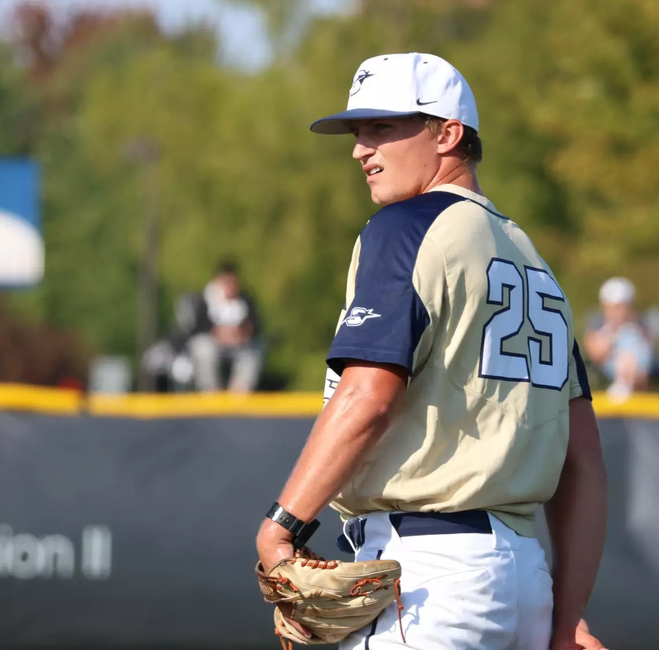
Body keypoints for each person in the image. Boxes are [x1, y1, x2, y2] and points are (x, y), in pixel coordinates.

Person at [256, 53, 608, 650]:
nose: (359, 150)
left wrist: (284, 523)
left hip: (429, 580)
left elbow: (368, 396)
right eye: (357, 133)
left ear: (447, 133)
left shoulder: (410, 226)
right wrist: (568, 617)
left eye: (382, 129)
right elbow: (585, 465)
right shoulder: (532, 261)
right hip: (524, 581)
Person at [188, 261, 263, 393]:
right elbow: (196, 329)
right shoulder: (204, 301)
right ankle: (210, 394)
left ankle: (239, 395)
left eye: (233, 283)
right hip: (214, 345)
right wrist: (219, 333)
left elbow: (256, 326)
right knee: (203, 349)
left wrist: (241, 333)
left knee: (252, 354)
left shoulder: (245, 301)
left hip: (239, 346)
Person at [583, 277, 653, 402]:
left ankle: (625, 388)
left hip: (638, 378)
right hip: (608, 371)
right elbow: (596, 354)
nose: (620, 311)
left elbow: (647, 358)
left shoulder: (641, 326)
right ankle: (622, 387)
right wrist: (613, 333)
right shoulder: (597, 327)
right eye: (615, 307)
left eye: (623, 306)